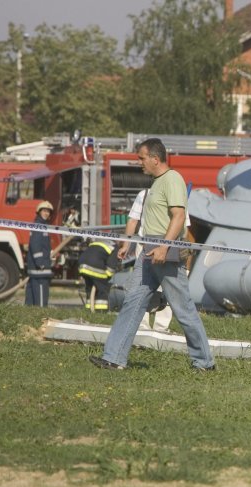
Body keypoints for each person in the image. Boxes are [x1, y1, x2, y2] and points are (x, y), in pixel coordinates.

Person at [89, 138, 215, 371]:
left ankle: (204, 362)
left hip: (164, 252)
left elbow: (178, 217)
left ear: (155, 159)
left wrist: (164, 247)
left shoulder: (173, 180)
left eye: (142, 158)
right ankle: (114, 358)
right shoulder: (155, 184)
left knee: (183, 309)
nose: (139, 163)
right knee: (133, 303)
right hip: (148, 251)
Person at [25, 201, 55, 307]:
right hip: (39, 270)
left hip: (38, 269)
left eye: (48, 212)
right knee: (41, 302)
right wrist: (41, 263)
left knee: (31, 300)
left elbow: (43, 246)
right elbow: (35, 245)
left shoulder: (43, 225)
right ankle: (40, 318)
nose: (46, 213)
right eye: (44, 211)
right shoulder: (39, 226)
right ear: (39, 212)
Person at [78, 238, 118, 311]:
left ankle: (89, 309)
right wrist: (107, 278)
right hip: (94, 264)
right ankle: (101, 311)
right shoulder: (114, 247)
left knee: (89, 288)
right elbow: (110, 268)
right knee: (102, 289)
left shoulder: (100, 241)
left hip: (82, 264)